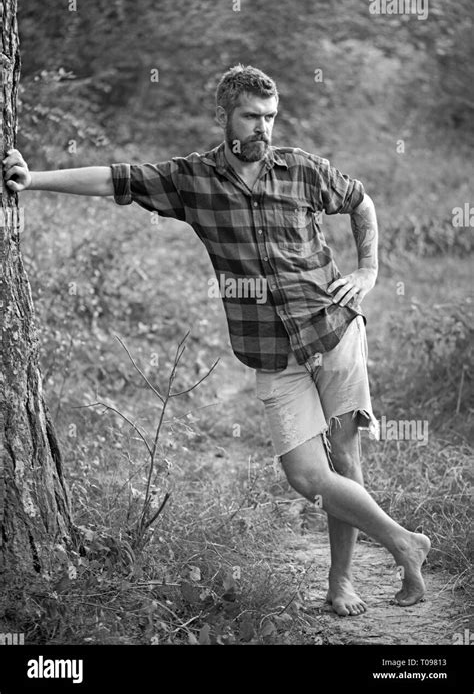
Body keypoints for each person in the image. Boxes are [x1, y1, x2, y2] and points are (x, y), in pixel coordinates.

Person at [3, 64, 430, 617]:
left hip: (334, 328)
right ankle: (404, 541)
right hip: (271, 351)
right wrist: (34, 179)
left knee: (346, 460)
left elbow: (361, 202)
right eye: (251, 117)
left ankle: (340, 582)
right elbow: (116, 179)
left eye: (270, 118)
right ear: (223, 116)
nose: (263, 129)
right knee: (306, 475)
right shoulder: (192, 179)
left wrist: (369, 272)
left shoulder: (302, 170)